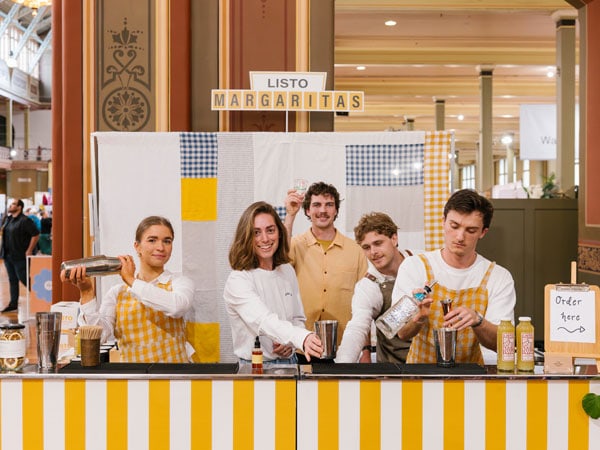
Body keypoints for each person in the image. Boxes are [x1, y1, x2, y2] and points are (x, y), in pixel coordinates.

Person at [393, 189, 516, 364]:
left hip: (472, 380)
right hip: (420, 379)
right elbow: (401, 333)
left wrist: (478, 321)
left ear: (483, 232)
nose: (460, 237)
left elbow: (504, 345)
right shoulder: (414, 266)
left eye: (471, 230)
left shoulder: (498, 277)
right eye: (454, 226)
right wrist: (418, 318)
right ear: (443, 222)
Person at [61, 216, 195, 362]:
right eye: (152, 240)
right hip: (133, 379)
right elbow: (99, 337)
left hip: (174, 377)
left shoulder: (179, 282)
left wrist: (131, 280)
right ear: (137, 246)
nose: (160, 247)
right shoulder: (117, 293)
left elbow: (177, 307)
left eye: (167, 241)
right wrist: (86, 292)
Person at [223, 201, 323, 363]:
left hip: (291, 363)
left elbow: (297, 318)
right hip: (255, 368)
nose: (265, 239)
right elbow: (263, 321)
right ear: (246, 237)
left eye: (270, 230)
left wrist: (290, 343)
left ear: (279, 233)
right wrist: (300, 338)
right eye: (256, 233)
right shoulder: (238, 280)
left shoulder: (286, 270)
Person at [284, 182, 368, 355]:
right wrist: (290, 216)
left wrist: (365, 350)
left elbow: (365, 306)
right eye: (316, 205)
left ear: (336, 210)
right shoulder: (295, 245)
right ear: (307, 210)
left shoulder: (356, 251)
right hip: (302, 347)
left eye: (329, 205)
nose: (323, 210)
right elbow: (277, 261)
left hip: (345, 349)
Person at [336, 212, 419, 363]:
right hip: (393, 370)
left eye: (378, 243)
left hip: (431, 365)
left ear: (394, 238)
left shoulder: (422, 262)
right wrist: (342, 366)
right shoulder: (368, 286)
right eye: (366, 247)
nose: (373, 252)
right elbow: (357, 327)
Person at [1, 199, 40, 312]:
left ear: (19, 207)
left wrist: (29, 250)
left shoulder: (25, 220)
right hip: (8, 256)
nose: (10, 206)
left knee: (24, 279)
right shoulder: (8, 220)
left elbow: (36, 234)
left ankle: (42, 296)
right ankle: (13, 304)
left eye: (13, 204)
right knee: (12, 280)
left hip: (20, 256)